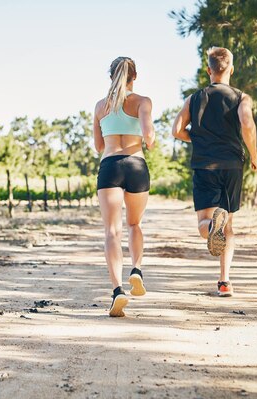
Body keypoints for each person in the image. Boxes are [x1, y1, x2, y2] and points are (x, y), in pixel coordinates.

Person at [172, 46, 257, 297]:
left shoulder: (194, 98)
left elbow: (176, 130)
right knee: (228, 224)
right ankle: (224, 282)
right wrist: (254, 155)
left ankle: (211, 228)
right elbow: (247, 124)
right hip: (232, 164)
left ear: (208, 70)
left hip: (204, 165)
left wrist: (198, 140)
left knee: (205, 221)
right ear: (231, 69)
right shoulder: (242, 98)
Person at [93, 56, 155, 317]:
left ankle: (117, 291)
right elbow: (148, 136)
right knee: (134, 224)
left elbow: (98, 147)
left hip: (110, 166)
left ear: (110, 76)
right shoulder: (143, 102)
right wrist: (147, 139)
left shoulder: (100, 106)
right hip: (136, 165)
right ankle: (137, 270)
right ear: (135, 76)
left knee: (111, 232)